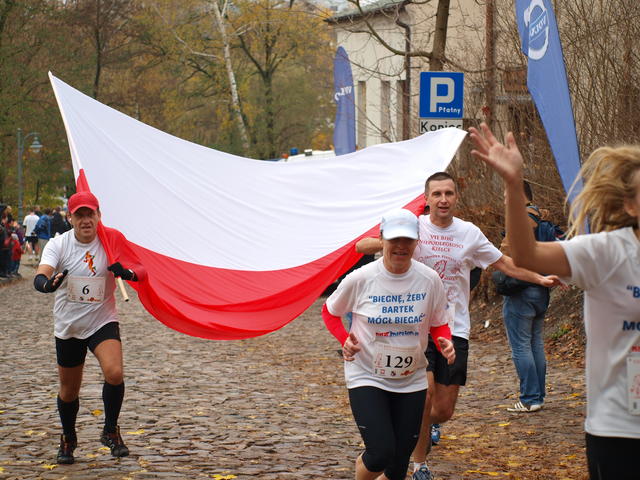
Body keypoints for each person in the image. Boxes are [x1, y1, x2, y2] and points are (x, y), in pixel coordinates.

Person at [355, 172, 561, 480]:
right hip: (415, 326)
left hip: (454, 328)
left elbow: (503, 263)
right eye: (437, 194)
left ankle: (418, 427)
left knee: (442, 409)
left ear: (455, 198)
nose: (443, 199)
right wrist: (392, 239)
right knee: (423, 397)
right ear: (427, 199)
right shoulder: (412, 226)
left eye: (448, 193)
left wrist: (540, 278)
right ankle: (419, 464)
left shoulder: (469, 233)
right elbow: (361, 246)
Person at [469, 122, 640, 480]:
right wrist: (514, 186)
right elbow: (526, 255)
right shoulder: (606, 253)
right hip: (621, 429)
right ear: (629, 205)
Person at [323, 209, 455, 480]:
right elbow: (330, 311)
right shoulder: (361, 278)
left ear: (417, 241)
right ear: (382, 239)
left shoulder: (429, 279)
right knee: (380, 454)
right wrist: (345, 339)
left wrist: (446, 341)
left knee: (397, 467)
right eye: (395, 239)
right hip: (366, 374)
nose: (401, 246)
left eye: (408, 240)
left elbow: (438, 322)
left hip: (411, 378)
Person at [35, 191, 145, 465]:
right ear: (70, 218)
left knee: (115, 372)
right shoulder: (59, 245)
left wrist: (128, 273)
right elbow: (42, 274)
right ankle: (68, 437)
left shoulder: (111, 239)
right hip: (69, 325)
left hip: (102, 320)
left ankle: (110, 431)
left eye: (90, 214)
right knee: (69, 390)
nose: (86, 220)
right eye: (80, 215)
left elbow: (142, 269)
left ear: (99, 216)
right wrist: (47, 285)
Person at [499, 181, 555, 412]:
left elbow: (508, 255)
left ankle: (529, 399)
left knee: (521, 346)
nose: (504, 200)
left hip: (521, 289)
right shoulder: (540, 218)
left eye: (506, 195)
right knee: (535, 344)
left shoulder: (520, 219)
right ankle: (538, 396)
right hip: (541, 289)